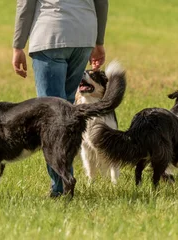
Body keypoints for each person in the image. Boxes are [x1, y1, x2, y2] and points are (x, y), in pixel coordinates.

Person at [12, 0, 108, 197]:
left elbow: (26, 5)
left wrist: (18, 46)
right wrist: (98, 41)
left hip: (50, 35)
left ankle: (60, 188)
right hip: (83, 37)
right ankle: (65, 182)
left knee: (51, 118)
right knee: (66, 111)